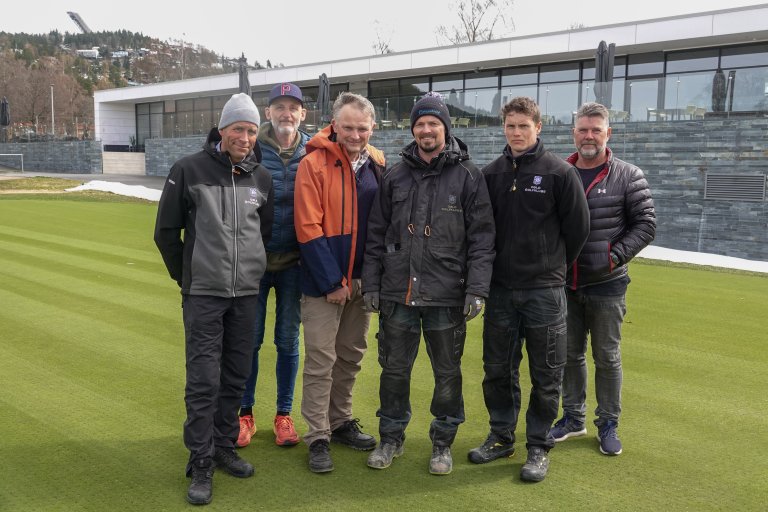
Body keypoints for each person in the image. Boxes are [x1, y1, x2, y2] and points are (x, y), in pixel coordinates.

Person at [362, 92, 495, 475]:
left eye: (433, 123)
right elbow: (376, 233)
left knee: (447, 374)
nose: (426, 130)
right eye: (420, 123)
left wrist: (477, 290)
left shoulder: (469, 175)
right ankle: (390, 438)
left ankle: (442, 442)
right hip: (397, 293)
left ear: (445, 128)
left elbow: (483, 239)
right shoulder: (395, 174)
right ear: (413, 129)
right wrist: (371, 284)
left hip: (447, 294)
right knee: (394, 371)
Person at [154, 93, 274, 505]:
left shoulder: (262, 177)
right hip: (203, 293)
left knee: (235, 375)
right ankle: (201, 460)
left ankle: (223, 446)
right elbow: (166, 234)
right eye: (238, 129)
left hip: (245, 294)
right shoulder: (188, 169)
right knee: (204, 380)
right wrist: (187, 277)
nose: (244, 137)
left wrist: (251, 271)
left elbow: (264, 233)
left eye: (251, 130)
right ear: (222, 130)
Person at [468, 96, 590, 482]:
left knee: (546, 373)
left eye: (524, 126)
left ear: (539, 127)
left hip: (544, 293)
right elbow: (482, 233)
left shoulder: (559, 174)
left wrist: (549, 266)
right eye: (510, 126)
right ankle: (501, 436)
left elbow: (577, 232)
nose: (517, 133)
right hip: (501, 292)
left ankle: (538, 445)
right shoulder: (491, 175)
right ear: (503, 128)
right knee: (497, 370)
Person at [549, 102, 655, 455]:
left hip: (608, 284)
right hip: (566, 284)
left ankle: (608, 423)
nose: (589, 136)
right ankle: (572, 418)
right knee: (569, 356)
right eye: (583, 129)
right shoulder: (559, 172)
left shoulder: (628, 175)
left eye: (596, 130)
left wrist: (613, 256)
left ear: (608, 133)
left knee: (607, 358)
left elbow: (646, 225)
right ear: (573, 133)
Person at [294, 92, 386, 473]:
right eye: (347, 127)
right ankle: (317, 435)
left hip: (363, 282)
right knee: (321, 360)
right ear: (334, 124)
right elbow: (307, 227)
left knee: (350, 357)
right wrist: (333, 280)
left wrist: (369, 278)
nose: (354, 134)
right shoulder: (313, 163)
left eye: (362, 128)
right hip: (324, 284)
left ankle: (340, 420)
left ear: (372, 128)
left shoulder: (377, 163)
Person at [237, 83, 310, 449]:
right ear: (268, 113)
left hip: (295, 263)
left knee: (287, 341)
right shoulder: (252, 148)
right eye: (279, 107)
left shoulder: (314, 150)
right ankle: (244, 414)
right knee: (249, 341)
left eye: (292, 107)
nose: (286, 113)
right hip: (255, 263)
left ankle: (284, 415)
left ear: (302, 114)